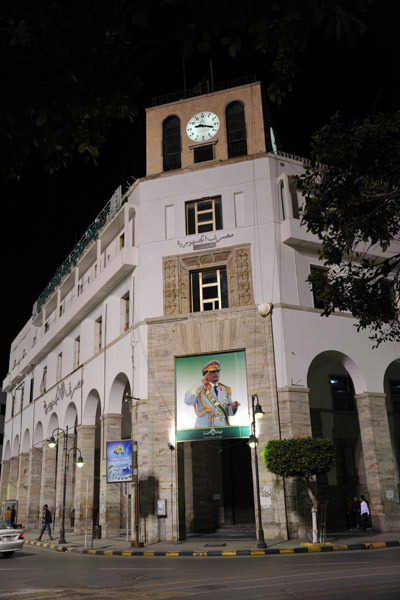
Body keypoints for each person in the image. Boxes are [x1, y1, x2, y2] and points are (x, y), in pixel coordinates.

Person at [184, 359, 240, 428]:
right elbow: (187, 400)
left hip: (221, 430)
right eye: (212, 371)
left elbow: (228, 412)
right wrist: (200, 382)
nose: (216, 373)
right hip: (203, 430)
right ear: (205, 374)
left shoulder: (225, 389)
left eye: (217, 371)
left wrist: (233, 407)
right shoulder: (200, 388)